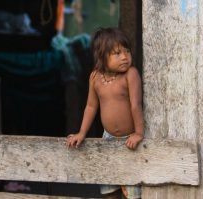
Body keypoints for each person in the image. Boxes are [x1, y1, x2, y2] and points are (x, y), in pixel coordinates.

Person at [66, 27, 144, 199]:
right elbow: (91, 107)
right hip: (107, 138)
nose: (125, 57)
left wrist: (138, 133)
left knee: (132, 193)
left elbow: (136, 105)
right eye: (117, 53)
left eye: (127, 51)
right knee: (110, 189)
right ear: (102, 57)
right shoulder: (95, 77)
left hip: (129, 140)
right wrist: (82, 133)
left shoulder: (130, 74)